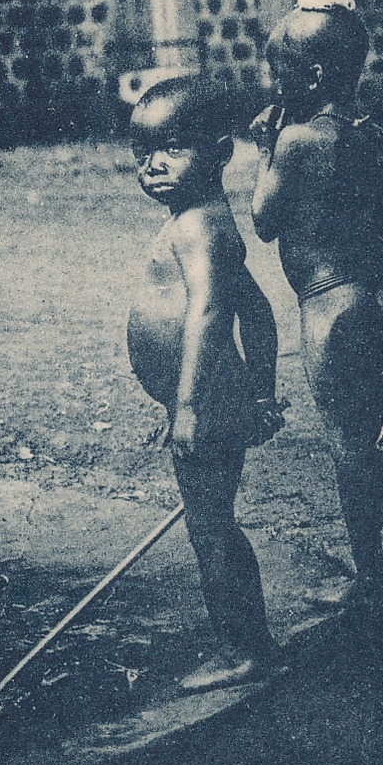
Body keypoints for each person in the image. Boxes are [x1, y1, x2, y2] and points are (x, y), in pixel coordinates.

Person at [249, 0, 383, 609]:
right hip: (382, 300)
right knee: (374, 437)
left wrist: (265, 149)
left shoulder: (297, 142)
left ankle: (370, 579)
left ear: (314, 76)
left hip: (330, 310)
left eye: (280, 72)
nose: (274, 85)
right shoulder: (380, 142)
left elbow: (263, 220)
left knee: (347, 444)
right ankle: (372, 567)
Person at [125, 76, 287, 691]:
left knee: (211, 528)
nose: (154, 165)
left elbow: (211, 312)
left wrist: (190, 406)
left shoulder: (199, 227)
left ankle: (245, 650)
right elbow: (259, 312)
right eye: (143, 152)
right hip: (205, 396)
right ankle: (248, 643)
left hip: (207, 401)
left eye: (173, 149)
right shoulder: (202, 220)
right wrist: (255, 393)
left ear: (220, 153)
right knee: (211, 521)